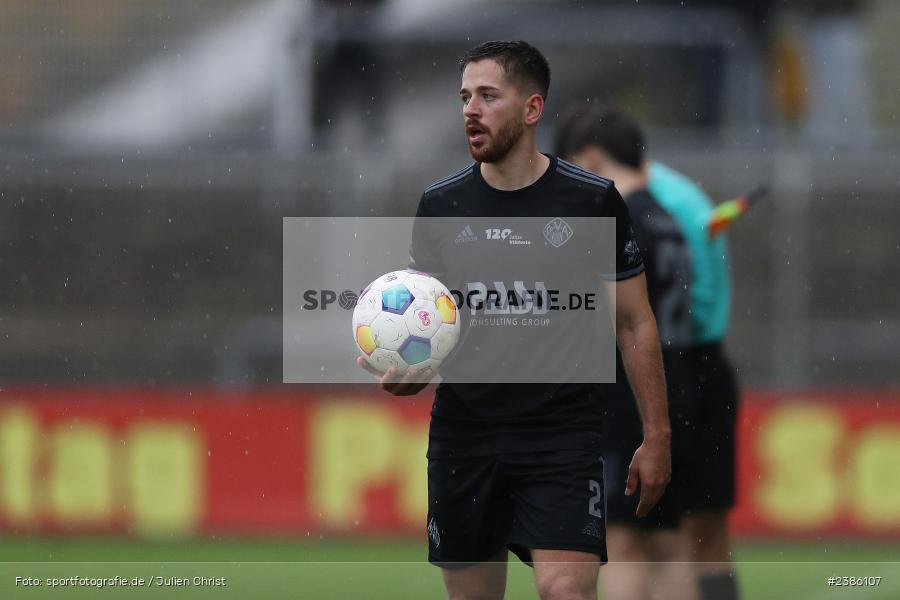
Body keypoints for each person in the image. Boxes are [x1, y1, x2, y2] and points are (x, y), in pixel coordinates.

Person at [358, 41, 671, 600]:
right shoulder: (441, 206)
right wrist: (410, 372)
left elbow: (634, 324)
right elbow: (433, 328)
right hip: (466, 437)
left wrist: (657, 436)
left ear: (531, 109)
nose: (469, 110)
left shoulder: (591, 201)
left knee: (566, 593)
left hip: (563, 438)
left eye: (487, 96)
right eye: (463, 97)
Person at [555, 107, 697, 600]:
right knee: (669, 542)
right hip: (676, 390)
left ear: (590, 160)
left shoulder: (620, 220)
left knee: (619, 541)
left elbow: (607, 319)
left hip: (627, 400)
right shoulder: (669, 218)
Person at [647, 162, 741, 600]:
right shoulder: (680, 194)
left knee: (661, 536)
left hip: (677, 366)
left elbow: (692, 302)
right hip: (702, 365)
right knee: (706, 528)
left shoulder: (652, 201)